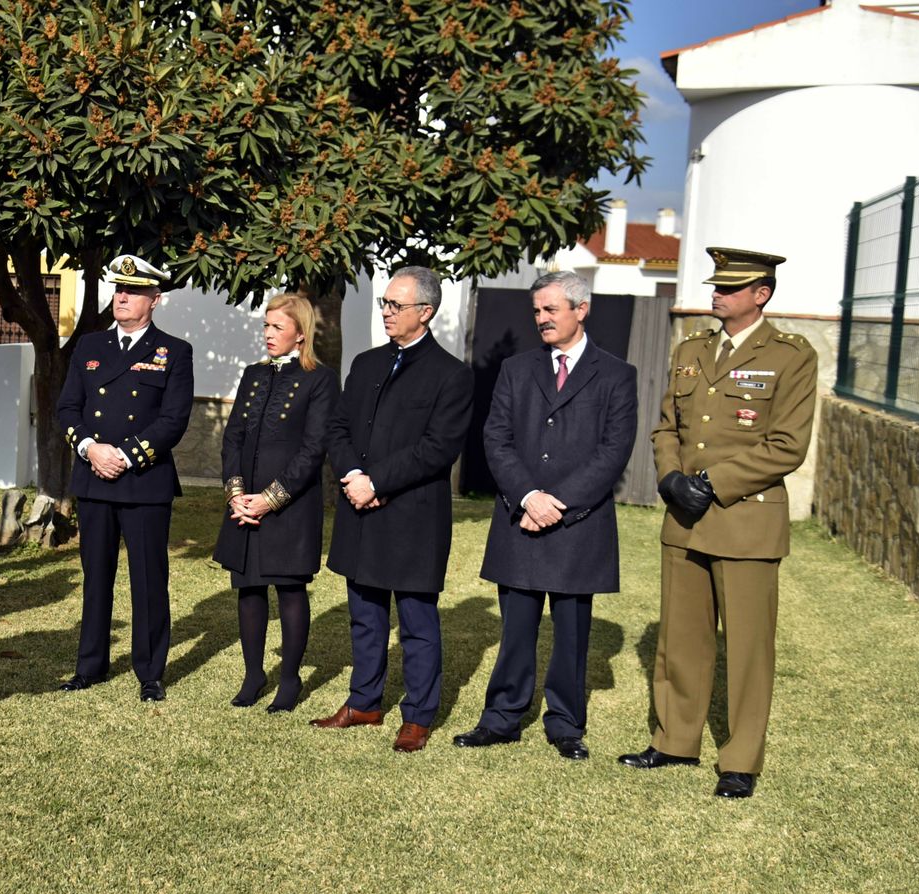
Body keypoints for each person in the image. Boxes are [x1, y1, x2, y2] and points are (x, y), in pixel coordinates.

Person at [620, 247, 816, 800]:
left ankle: (740, 760)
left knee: (749, 648)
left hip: (744, 519)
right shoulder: (691, 349)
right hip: (685, 518)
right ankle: (675, 739)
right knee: (680, 639)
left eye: (731, 288)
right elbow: (666, 428)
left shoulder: (791, 355)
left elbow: (786, 445)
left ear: (762, 294)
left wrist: (710, 483)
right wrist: (670, 478)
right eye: (716, 286)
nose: (717, 293)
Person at [451, 271, 637, 759]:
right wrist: (528, 496)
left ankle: (565, 724)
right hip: (521, 519)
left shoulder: (617, 374)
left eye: (550, 310)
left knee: (572, 636)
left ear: (582, 309)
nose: (541, 319)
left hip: (580, 525)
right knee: (515, 631)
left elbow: (613, 452)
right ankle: (501, 719)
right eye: (536, 311)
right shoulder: (516, 369)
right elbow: (496, 438)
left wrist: (556, 505)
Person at [311, 266, 473, 753]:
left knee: (417, 622)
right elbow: (337, 428)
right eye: (384, 302)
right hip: (361, 508)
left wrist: (377, 481)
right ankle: (364, 702)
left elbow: (437, 448)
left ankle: (418, 715)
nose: (385, 311)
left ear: (425, 312)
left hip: (412, 516)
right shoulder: (366, 363)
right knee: (364, 613)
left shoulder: (452, 375)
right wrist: (354, 478)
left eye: (394, 305)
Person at [55, 253, 194, 702]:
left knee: (149, 580)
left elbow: (173, 420)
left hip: (144, 482)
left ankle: (150, 671)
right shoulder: (91, 347)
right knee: (96, 576)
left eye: (132, 292)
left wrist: (126, 456)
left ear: (155, 299)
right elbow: (67, 409)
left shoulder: (174, 351)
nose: (122, 297)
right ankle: (89, 666)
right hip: (94, 477)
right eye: (118, 289)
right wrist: (90, 448)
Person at [213, 293, 339, 713]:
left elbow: (313, 449)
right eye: (265, 326)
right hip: (243, 501)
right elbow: (232, 438)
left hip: (290, 504)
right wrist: (235, 493)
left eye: (277, 328)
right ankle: (253, 674)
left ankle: (289, 678)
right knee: (248, 589)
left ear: (300, 335)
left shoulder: (321, 379)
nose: (268, 334)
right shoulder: (252, 374)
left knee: (289, 589)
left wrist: (269, 500)